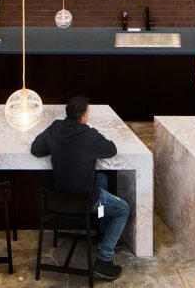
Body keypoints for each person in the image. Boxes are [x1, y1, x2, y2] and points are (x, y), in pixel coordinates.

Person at [31, 94, 129, 281]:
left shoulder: (55, 128)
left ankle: (102, 229)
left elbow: (36, 149)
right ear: (83, 117)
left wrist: (54, 147)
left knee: (101, 179)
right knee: (123, 209)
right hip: (83, 200)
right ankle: (104, 259)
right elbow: (111, 149)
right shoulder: (89, 135)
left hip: (57, 198)